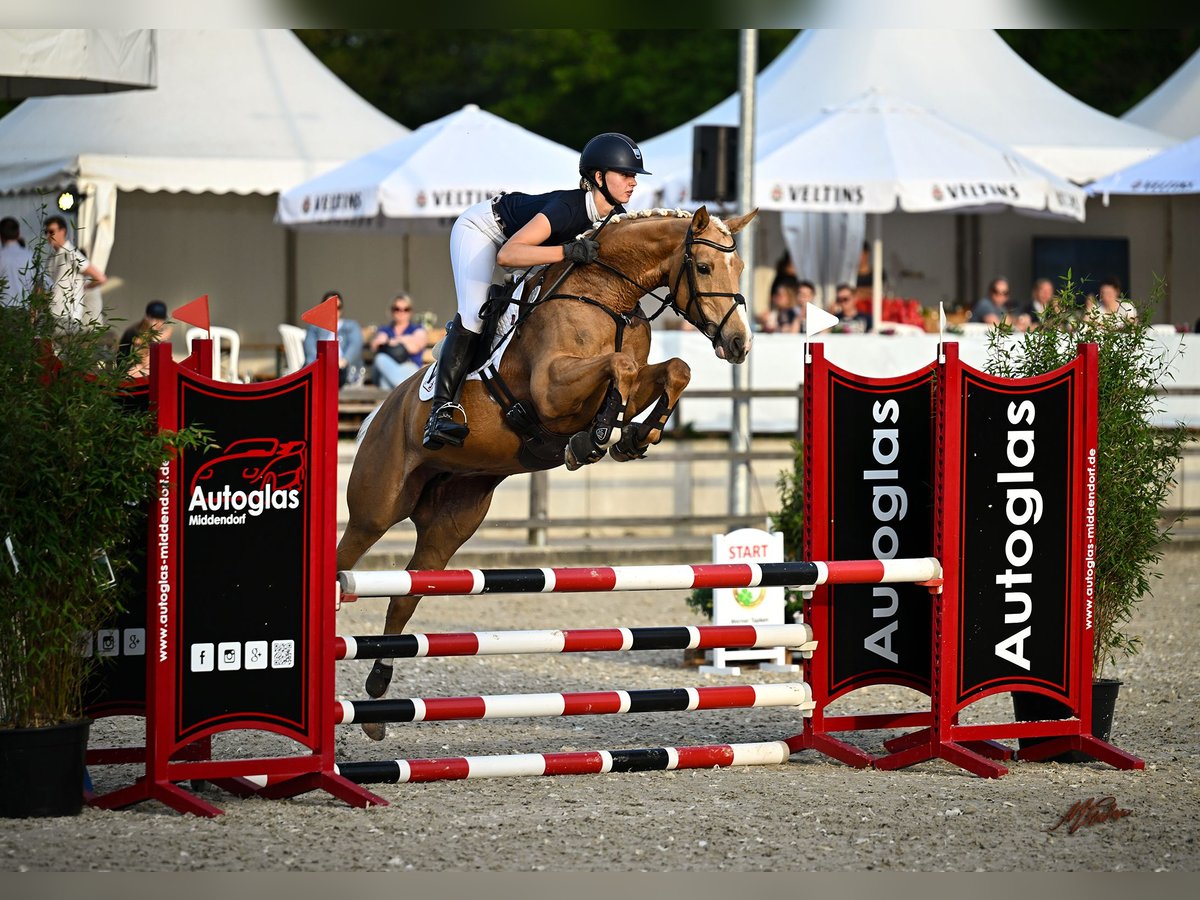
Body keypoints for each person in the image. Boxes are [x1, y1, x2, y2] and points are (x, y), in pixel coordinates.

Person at [422, 132, 650, 451]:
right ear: (599, 177)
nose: (633, 182)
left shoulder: (614, 219)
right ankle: (440, 411)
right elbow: (508, 255)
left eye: (634, 176)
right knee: (475, 314)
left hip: (530, 251)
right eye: (626, 175)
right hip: (486, 231)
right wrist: (566, 252)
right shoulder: (569, 208)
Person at [42, 215, 106, 327]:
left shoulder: (71, 253)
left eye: (51, 231)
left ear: (62, 231)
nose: (48, 235)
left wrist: (85, 287)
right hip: (52, 314)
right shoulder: (52, 257)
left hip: (67, 316)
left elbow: (100, 277)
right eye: (46, 232)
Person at [303, 290, 365, 388]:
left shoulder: (351, 326)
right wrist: (321, 364)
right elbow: (310, 349)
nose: (334, 311)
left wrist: (344, 360)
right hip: (319, 369)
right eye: (329, 307)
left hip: (341, 370)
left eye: (338, 307)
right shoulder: (315, 327)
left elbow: (355, 345)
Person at [369, 292, 428, 390]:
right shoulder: (385, 329)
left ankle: (394, 396)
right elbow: (376, 345)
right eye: (397, 309)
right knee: (380, 358)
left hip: (409, 368)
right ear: (391, 311)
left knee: (384, 381)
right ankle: (402, 390)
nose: (401, 312)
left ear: (411, 312)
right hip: (387, 368)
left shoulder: (417, 329)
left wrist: (392, 341)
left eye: (406, 309)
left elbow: (415, 347)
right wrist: (407, 340)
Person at [118, 300, 173, 379]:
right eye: (155, 319)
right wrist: (157, 337)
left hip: (144, 367)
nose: (159, 323)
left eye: (161, 320)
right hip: (128, 366)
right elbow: (139, 345)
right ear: (147, 318)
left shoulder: (157, 331)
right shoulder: (134, 330)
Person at [0, 216, 34, 307]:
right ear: (18, 234)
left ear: (1, 236)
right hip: (24, 312)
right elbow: (41, 284)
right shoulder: (29, 256)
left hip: (3, 312)